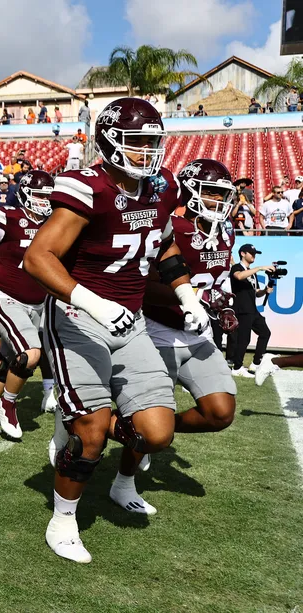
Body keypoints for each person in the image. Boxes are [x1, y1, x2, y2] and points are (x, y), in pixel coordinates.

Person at [24, 97, 204, 563]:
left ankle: (101, 458)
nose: (147, 151)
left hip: (132, 321)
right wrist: (92, 300)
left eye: (152, 142)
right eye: (137, 142)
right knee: (93, 431)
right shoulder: (90, 188)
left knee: (158, 433)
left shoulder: (161, 188)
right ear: (108, 141)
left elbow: (162, 243)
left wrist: (185, 293)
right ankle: (63, 518)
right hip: (77, 317)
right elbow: (37, 257)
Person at [143, 159, 239, 446]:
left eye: (222, 194)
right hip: (159, 330)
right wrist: (195, 297)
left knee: (220, 413)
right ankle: (126, 469)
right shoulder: (172, 227)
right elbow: (145, 288)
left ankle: (151, 428)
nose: (218, 200)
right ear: (190, 190)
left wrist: (225, 306)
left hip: (199, 335)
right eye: (211, 192)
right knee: (149, 417)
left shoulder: (226, 230)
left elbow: (220, 278)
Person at [0, 171, 58, 439]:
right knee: (32, 352)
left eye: (48, 196)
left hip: (37, 305)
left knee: (7, 361)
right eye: (40, 195)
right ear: (26, 195)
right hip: (6, 298)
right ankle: (8, 404)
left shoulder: (54, 223)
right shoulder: (9, 217)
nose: (45, 201)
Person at [229, 244, 273, 377]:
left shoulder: (251, 274)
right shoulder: (237, 268)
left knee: (265, 332)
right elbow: (239, 276)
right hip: (242, 309)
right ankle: (237, 368)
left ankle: (256, 362)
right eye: (251, 253)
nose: (253, 255)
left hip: (252, 309)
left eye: (255, 253)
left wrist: (265, 291)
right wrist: (259, 268)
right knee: (244, 339)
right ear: (242, 253)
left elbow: (256, 293)